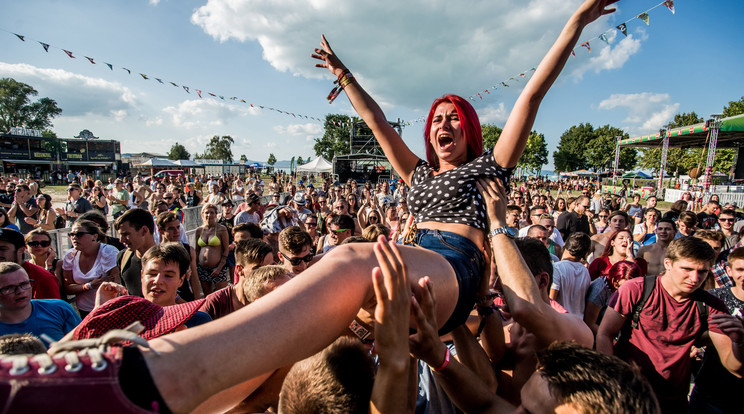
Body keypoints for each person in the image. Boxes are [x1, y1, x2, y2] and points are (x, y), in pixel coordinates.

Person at [1, 2, 621, 412]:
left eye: (454, 119)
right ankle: (207, 397)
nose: (442, 126)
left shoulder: (491, 168)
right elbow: (377, 121)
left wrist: (575, 22)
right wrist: (345, 75)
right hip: (416, 261)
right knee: (309, 338)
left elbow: (532, 94)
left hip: (455, 265)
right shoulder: (416, 171)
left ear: (473, 131)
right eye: (435, 120)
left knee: (350, 261)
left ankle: (150, 377)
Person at [597, 236, 744, 413]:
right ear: (668, 263)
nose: (695, 278)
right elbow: (605, 333)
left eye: (702, 272)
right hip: (628, 396)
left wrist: (739, 342)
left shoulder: (712, 306)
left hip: (673, 401)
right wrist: (610, 380)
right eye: (687, 269)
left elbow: (735, 367)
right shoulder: (636, 289)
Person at [688, 246, 744, 413]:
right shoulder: (714, 298)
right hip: (713, 388)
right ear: (729, 271)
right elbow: (693, 334)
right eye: (740, 269)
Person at [0, 263, 81, 344]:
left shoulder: (60, 309)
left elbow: (84, 345)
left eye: (24, 284)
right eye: (9, 288)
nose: (20, 291)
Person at [200, 239, 279, 320]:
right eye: (258, 269)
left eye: (271, 267)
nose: (267, 274)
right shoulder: (215, 302)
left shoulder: (277, 297)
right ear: (240, 269)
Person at [62, 219, 120, 318]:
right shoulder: (70, 255)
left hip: (109, 309)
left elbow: (116, 283)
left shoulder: (108, 252)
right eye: (71, 234)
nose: (74, 238)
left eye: (79, 234)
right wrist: (89, 285)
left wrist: (79, 287)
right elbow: (67, 288)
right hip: (84, 311)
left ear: (94, 236)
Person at [583, 260, 641, 336]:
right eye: (620, 286)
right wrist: (609, 338)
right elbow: (590, 323)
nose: (624, 291)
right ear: (614, 280)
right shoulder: (600, 289)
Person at [0, 228, 60, 300]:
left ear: (21, 250)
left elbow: (49, 309)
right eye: (33, 244)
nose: (39, 246)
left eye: (2, 249)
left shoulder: (42, 277)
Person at [156, 211, 201, 301]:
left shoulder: (188, 250)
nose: (176, 232)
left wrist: (198, 302)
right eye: (171, 229)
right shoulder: (156, 253)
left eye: (178, 227)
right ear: (161, 231)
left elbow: (194, 279)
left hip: (186, 297)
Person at [115, 208, 157, 297]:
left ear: (144, 230)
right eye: (120, 235)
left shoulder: (169, 260)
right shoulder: (123, 258)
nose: (121, 240)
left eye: (126, 234)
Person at [549, 232, 592, 317]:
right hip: (579, 322)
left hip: (561, 321)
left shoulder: (556, 268)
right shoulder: (585, 271)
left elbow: (551, 300)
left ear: (565, 244)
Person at [195, 203, 230, 295]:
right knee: (207, 296)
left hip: (218, 267)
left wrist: (219, 267)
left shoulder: (221, 229)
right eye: (206, 213)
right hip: (202, 268)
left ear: (216, 214)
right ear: (202, 214)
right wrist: (195, 266)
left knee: (220, 296)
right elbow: (197, 250)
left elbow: (226, 249)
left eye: (212, 213)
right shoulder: (199, 230)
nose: (209, 215)